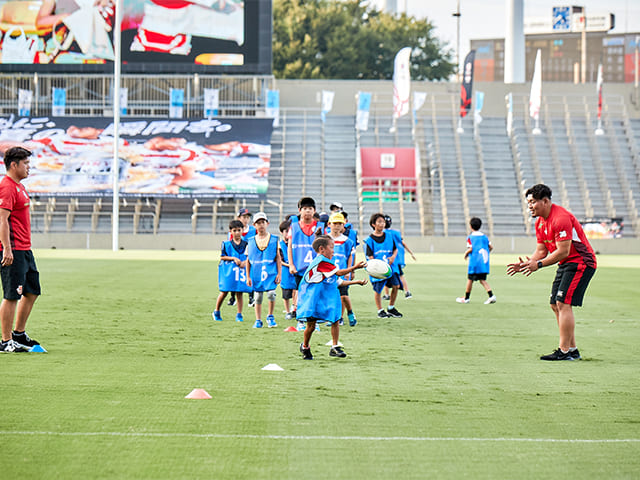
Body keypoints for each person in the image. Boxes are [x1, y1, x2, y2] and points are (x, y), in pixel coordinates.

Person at [507, 184, 597, 361]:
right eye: (528, 203)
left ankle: (563, 351)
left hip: (581, 262)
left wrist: (538, 265)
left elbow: (563, 251)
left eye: (532, 202)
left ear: (545, 201)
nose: (530, 206)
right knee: (555, 304)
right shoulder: (540, 222)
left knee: (563, 303)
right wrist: (528, 263)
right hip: (566, 263)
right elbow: (541, 250)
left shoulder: (560, 217)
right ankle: (572, 349)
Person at [297, 235, 367, 360]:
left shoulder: (328, 264)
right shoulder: (321, 261)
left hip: (326, 298)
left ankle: (334, 347)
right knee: (311, 326)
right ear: (322, 249)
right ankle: (305, 346)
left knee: (335, 319)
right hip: (314, 300)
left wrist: (356, 282)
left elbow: (338, 281)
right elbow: (339, 273)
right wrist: (355, 267)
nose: (333, 250)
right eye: (331, 247)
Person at [0, 147, 41, 353]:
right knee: (11, 295)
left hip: (25, 249)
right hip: (13, 249)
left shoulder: (20, 187)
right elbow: (2, 219)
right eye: (25, 164)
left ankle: (19, 334)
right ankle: (6, 341)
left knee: (32, 291)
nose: (29, 168)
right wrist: (7, 248)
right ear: (13, 165)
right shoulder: (6, 187)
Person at [287, 197, 325, 325]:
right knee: (300, 292)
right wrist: (291, 264)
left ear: (314, 211)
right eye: (305, 209)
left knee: (315, 292)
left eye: (310, 209)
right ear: (300, 210)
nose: (307, 211)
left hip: (315, 267)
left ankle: (314, 318)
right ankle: (300, 318)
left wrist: (319, 236)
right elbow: (290, 246)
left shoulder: (320, 227)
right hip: (299, 267)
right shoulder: (294, 227)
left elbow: (324, 246)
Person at [364, 213, 403, 318]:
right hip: (378, 269)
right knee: (378, 290)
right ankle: (380, 310)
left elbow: (395, 249)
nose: (382, 224)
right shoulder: (369, 240)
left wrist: (393, 257)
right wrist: (376, 266)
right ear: (373, 224)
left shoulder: (389, 236)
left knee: (396, 285)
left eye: (383, 222)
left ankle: (391, 308)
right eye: (379, 222)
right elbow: (369, 255)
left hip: (390, 268)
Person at [246, 212, 281, 329]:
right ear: (254, 225)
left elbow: (278, 258)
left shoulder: (274, 239)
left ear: (267, 223)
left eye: (263, 222)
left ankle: (270, 316)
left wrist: (279, 273)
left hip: (270, 272)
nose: (261, 225)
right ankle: (258, 319)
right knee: (258, 297)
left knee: (271, 294)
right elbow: (248, 260)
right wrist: (248, 276)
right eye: (258, 223)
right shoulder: (251, 241)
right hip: (256, 273)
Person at [212, 219, 250, 323]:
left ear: (242, 230)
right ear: (230, 231)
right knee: (224, 292)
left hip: (240, 272)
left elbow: (250, 257)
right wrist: (233, 258)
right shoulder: (226, 244)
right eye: (234, 230)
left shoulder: (247, 244)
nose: (237, 233)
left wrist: (245, 262)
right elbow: (222, 257)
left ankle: (239, 314)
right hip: (229, 272)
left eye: (239, 230)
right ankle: (216, 311)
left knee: (239, 292)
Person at [326, 212, 358, 327]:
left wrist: (350, 271)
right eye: (335, 223)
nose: (337, 226)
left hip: (343, 272)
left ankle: (348, 313)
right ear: (329, 224)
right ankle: (334, 317)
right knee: (331, 296)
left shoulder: (347, 241)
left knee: (343, 295)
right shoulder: (325, 239)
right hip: (329, 273)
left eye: (340, 224)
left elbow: (350, 255)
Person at [456, 217, 496, 304]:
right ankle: (491, 296)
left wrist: (466, 254)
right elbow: (491, 247)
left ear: (470, 226)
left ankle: (466, 298)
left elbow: (471, 248)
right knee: (482, 280)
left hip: (474, 263)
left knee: (470, 280)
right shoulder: (484, 237)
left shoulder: (470, 237)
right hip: (483, 263)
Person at [382, 215, 416, 300]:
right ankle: (407, 292)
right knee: (400, 275)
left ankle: (387, 295)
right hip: (396, 259)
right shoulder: (395, 233)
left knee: (385, 274)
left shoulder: (382, 233)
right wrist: (411, 253)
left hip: (387, 258)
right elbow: (403, 243)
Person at [227, 207, 256, 307]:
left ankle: (251, 297)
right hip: (237, 258)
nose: (246, 219)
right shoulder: (233, 231)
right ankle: (232, 297)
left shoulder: (253, 230)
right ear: (239, 217)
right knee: (234, 277)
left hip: (248, 258)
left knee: (249, 275)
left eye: (248, 217)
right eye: (244, 217)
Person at [278, 220, 297, 321]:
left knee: (295, 290)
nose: (288, 233)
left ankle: (294, 308)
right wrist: (289, 265)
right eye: (286, 231)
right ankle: (287, 311)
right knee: (286, 294)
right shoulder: (280, 245)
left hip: (294, 269)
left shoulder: (294, 243)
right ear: (282, 232)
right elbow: (280, 260)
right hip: (285, 271)